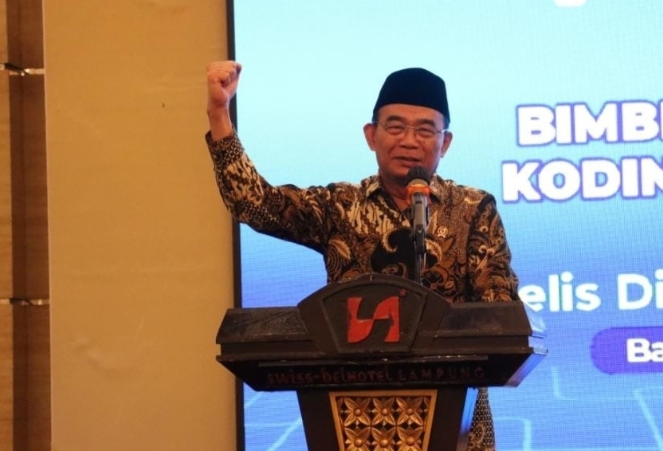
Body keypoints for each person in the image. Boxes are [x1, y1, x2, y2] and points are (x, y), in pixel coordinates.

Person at [205, 60, 520, 451]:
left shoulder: (472, 210)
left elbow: (499, 313)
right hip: (354, 423)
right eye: (395, 127)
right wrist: (219, 114)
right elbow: (256, 205)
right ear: (371, 135)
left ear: (446, 142)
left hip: (457, 424)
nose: (410, 141)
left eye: (425, 130)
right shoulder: (341, 206)